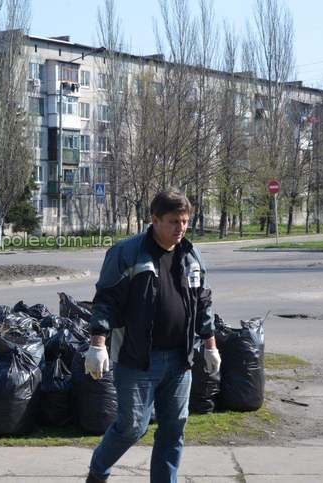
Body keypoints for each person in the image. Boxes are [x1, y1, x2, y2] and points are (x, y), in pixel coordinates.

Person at [85, 189, 220, 483]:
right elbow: (106, 299)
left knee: (174, 428)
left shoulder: (191, 255)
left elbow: (203, 302)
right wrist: (97, 344)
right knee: (133, 426)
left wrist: (210, 345)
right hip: (137, 360)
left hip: (180, 359)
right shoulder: (127, 253)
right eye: (174, 221)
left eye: (185, 222)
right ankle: (97, 471)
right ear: (154, 219)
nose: (180, 229)